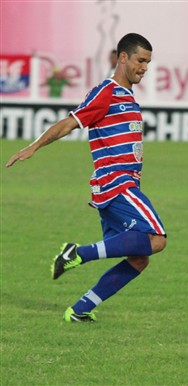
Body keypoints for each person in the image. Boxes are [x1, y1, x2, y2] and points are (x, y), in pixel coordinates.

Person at [6, 33, 167, 322]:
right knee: (156, 239)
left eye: (148, 62)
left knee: (139, 259)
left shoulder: (127, 96)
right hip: (118, 185)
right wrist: (34, 146)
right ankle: (77, 253)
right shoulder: (106, 92)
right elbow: (70, 122)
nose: (145, 67)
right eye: (140, 60)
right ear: (123, 58)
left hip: (115, 187)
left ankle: (80, 309)